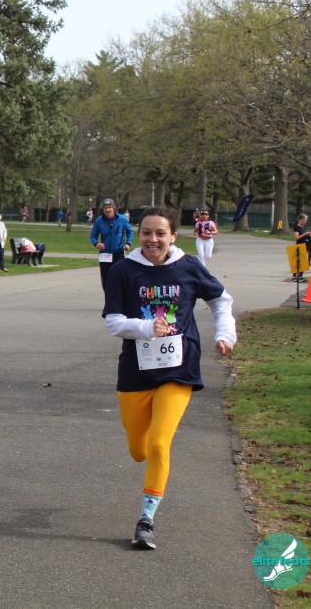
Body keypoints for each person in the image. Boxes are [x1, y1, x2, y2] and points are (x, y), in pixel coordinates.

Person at [103, 206, 236, 550]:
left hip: (179, 368)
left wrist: (225, 334)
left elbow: (221, 300)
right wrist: (148, 327)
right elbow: (113, 322)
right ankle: (146, 462)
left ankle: (146, 520)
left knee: (159, 444)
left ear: (173, 236)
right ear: (138, 235)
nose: (153, 239)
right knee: (139, 451)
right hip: (136, 372)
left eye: (161, 233)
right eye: (147, 232)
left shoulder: (188, 266)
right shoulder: (123, 270)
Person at [90, 198, 134, 293]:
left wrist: (128, 243)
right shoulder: (99, 221)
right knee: (105, 279)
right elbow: (93, 236)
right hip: (104, 254)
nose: (107, 210)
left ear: (114, 209)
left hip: (118, 253)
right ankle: (108, 298)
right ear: (103, 209)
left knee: (119, 277)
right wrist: (96, 243)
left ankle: (120, 298)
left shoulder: (122, 219)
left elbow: (130, 231)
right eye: (105, 208)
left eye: (109, 207)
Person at [293, 213, 311, 282]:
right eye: (304, 220)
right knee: (298, 262)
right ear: (300, 220)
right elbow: (297, 238)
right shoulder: (296, 228)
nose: (305, 222)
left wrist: (309, 234)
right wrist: (305, 234)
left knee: (303, 262)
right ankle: (295, 276)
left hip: (305, 246)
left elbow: (304, 236)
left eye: (306, 220)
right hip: (299, 246)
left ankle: (300, 276)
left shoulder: (303, 227)